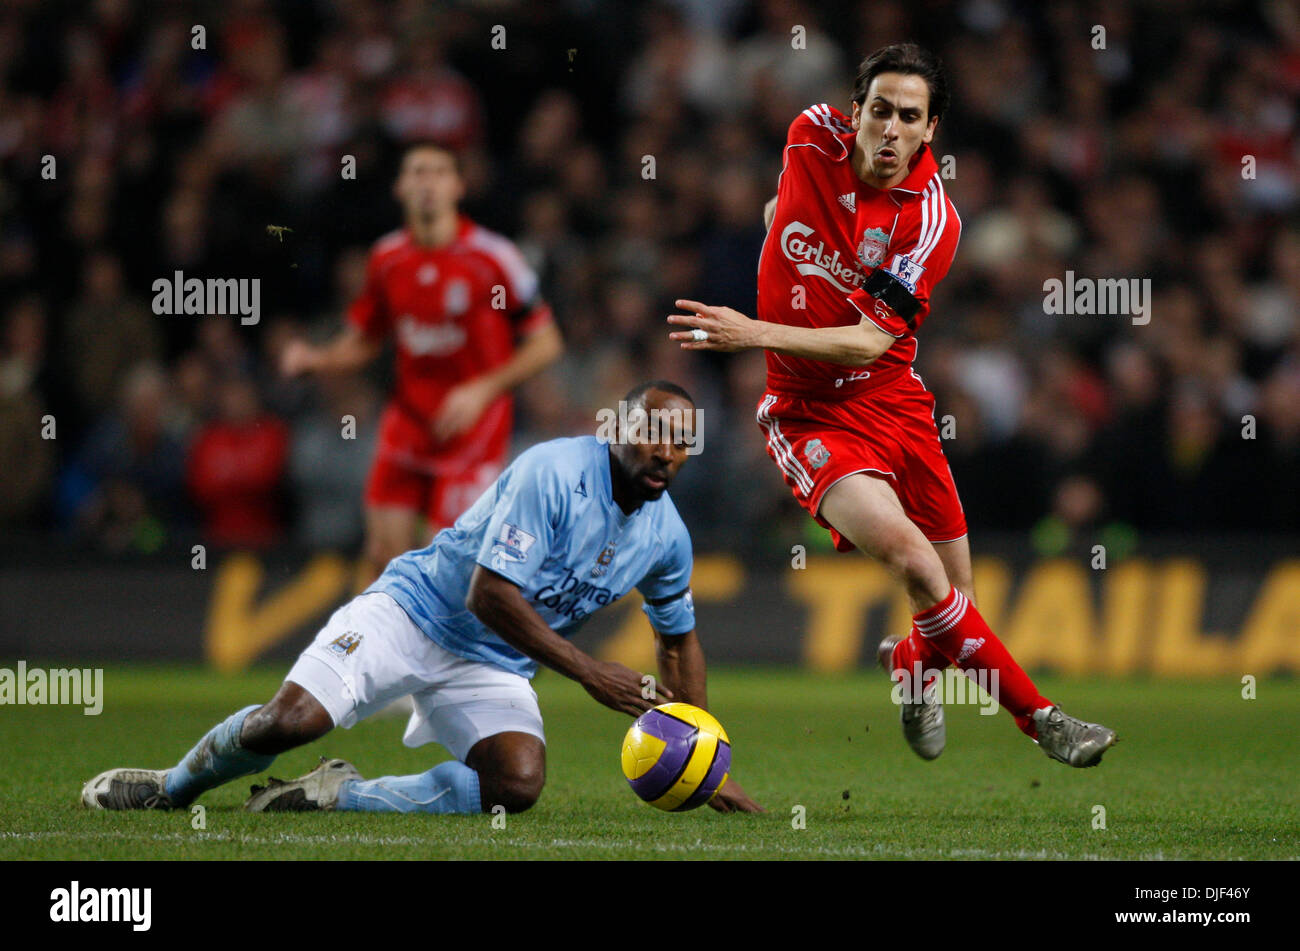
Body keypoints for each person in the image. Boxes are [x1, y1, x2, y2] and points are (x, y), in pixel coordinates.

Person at [667, 43, 1117, 768]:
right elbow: (781, 201)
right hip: (807, 413)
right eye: (879, 110)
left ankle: (909, 665)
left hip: (894, 401)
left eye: (910, 116)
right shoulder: (809, 133)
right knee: (915, 561)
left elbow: (868, 343)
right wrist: (779, 245)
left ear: (930, 129)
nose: (891, 129)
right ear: (855, 113)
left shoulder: (932, 221)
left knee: (956, 598)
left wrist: (754, 329)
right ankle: (1045, 720)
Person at [81, 382, 763, 815]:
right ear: (615, 429)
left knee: (517, 784)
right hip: (413, 611)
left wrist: (704, 756)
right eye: (652, 432)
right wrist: (590, 671)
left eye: (681, 443)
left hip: (493, 662)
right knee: (286, 723)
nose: (665, 452)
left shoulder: (668, 537)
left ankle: (336, 792)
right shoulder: (553, 471)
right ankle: (172, 786)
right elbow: (489, 593)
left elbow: (677, 642)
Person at [281, 142, 564, 580]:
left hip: (474, 428)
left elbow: (546, 343)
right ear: (399, 187)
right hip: (410, 422)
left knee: (446, 563)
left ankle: (462, 644)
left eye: (437, 172)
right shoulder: (387, 258)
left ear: (458, 186)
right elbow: (366, 340)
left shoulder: (494, 257)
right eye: (416, 172)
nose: (427, 181)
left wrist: (482, 388)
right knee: (383, 556)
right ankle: (391, 647)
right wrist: (316, 359)